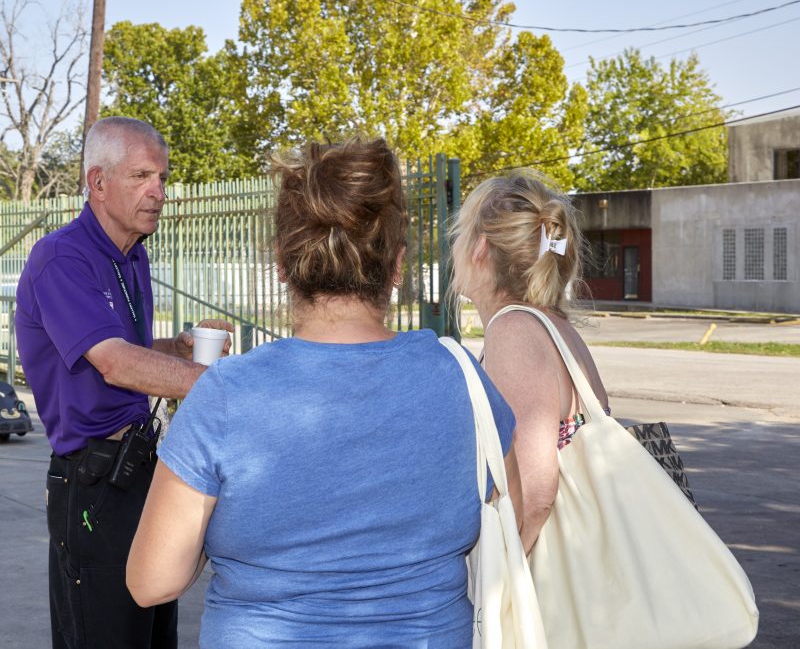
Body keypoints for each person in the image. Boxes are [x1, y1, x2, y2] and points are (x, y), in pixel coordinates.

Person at [126, 138, 521, 648]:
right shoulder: (462, 377)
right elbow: (511, 503)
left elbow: (151, 582)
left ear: (282, 264)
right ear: (397, 266)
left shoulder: (226, 393)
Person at [14, 116, 232, 649]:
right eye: (141, 177)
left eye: (161, 178)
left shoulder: (132, 255)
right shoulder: (63, 257)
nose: (158, 192)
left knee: (153, 629)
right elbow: (114, 364)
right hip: (92, 480)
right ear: (98, 182)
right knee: (106, 634)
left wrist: (177, 350)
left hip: (138, 470)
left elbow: (123, 350)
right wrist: (221, 386)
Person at [448, 169, 610, 554]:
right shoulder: (551, 325)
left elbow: (534, 497)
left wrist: (503, 588)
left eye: (459, 234)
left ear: (480, 248)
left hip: (547, 577)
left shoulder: (514, 330)